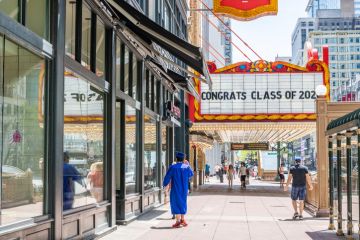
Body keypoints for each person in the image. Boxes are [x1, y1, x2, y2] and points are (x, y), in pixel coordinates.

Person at [163, 152, 194, 228]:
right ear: (183, 159)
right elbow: (191, 174)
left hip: (175, 189)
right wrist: (188, 165)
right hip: (184, 189)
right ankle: (183, 219)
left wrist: (165, 184)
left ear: (176, 159)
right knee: (183, 202)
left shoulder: (173, 167)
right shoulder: (186, 167)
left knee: (175, 203)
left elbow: (167, 177)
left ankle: (178, 221)